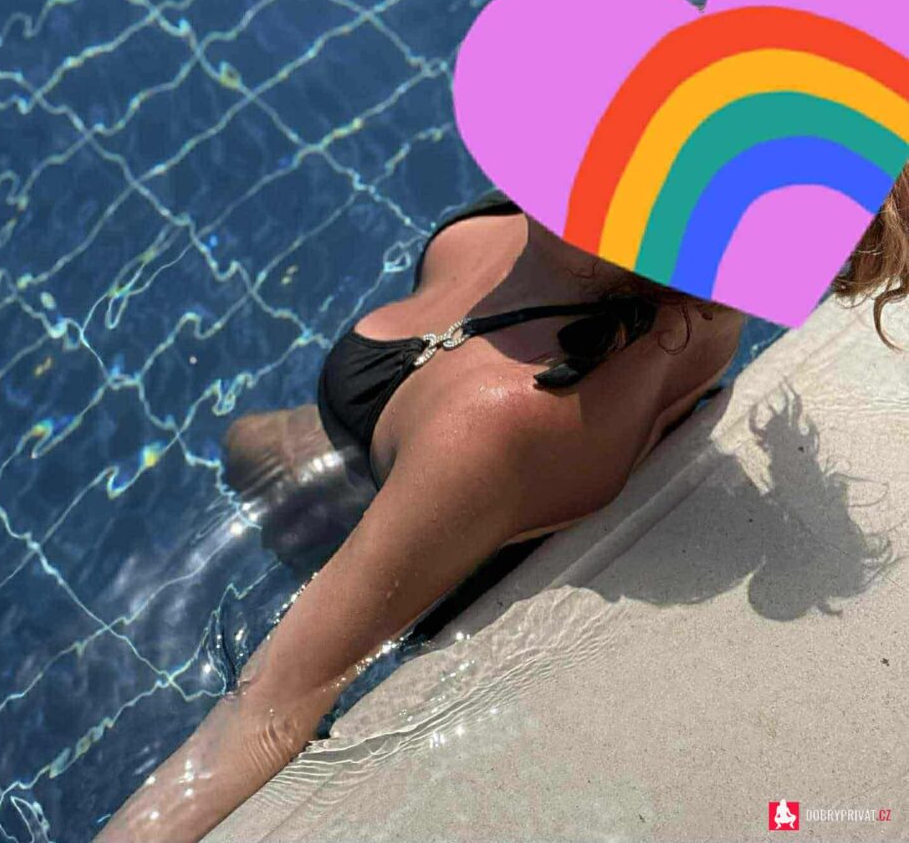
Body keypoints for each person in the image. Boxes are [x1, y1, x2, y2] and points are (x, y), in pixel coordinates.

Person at [95, 171, 908, 843]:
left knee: (241, 468)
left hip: (423, 509)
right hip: (416, 464)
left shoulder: (494, 424)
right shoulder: (701, 284)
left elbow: (270, 713)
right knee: (249, 444)